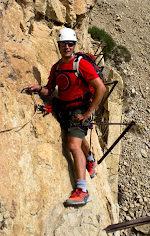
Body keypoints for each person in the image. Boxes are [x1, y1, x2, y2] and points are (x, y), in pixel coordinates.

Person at [28, 28, 106, 205]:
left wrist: (87, 113)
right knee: (77, 138)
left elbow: (101, 88)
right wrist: (39, 89)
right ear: (59, 46)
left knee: (72, 144)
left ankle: (82, 191)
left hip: (81, 109)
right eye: (64, 44)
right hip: (66, 109)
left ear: (74, 45)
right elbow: (50, 90)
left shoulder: (81, 65)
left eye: (70, 44)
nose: (67, 47)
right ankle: (90, 159)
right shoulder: (56, 68)